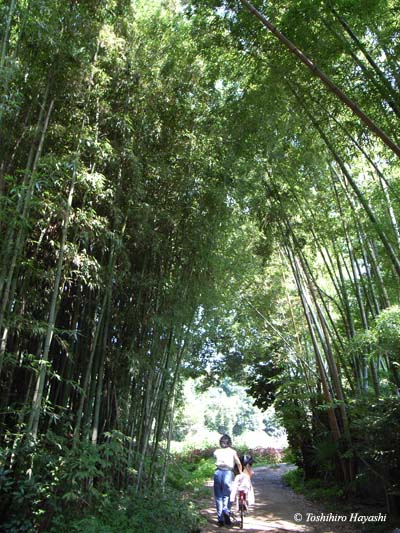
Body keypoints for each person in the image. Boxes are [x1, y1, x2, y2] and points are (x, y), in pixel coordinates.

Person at [213, 434, 242, 527]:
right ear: (229, 443)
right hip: (228, 473)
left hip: (218, 473)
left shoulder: (216, 451)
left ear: (220, 442)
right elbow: (238, 462)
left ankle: (220, 520)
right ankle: (226, 510)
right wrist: (240, 473)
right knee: (227, 494)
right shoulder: (233, 452)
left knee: (218, 497)